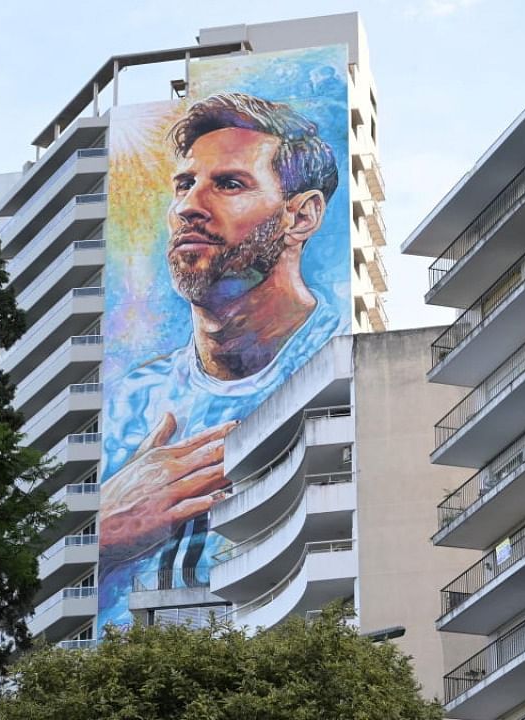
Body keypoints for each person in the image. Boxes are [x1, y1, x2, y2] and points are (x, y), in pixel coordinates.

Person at [97, 91, 346, 628]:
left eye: (228, 184)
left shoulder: (344, 368)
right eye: (184, 184)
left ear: (300, 216)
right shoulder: (127, 403)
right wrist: (106, 529)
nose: (189, 205)